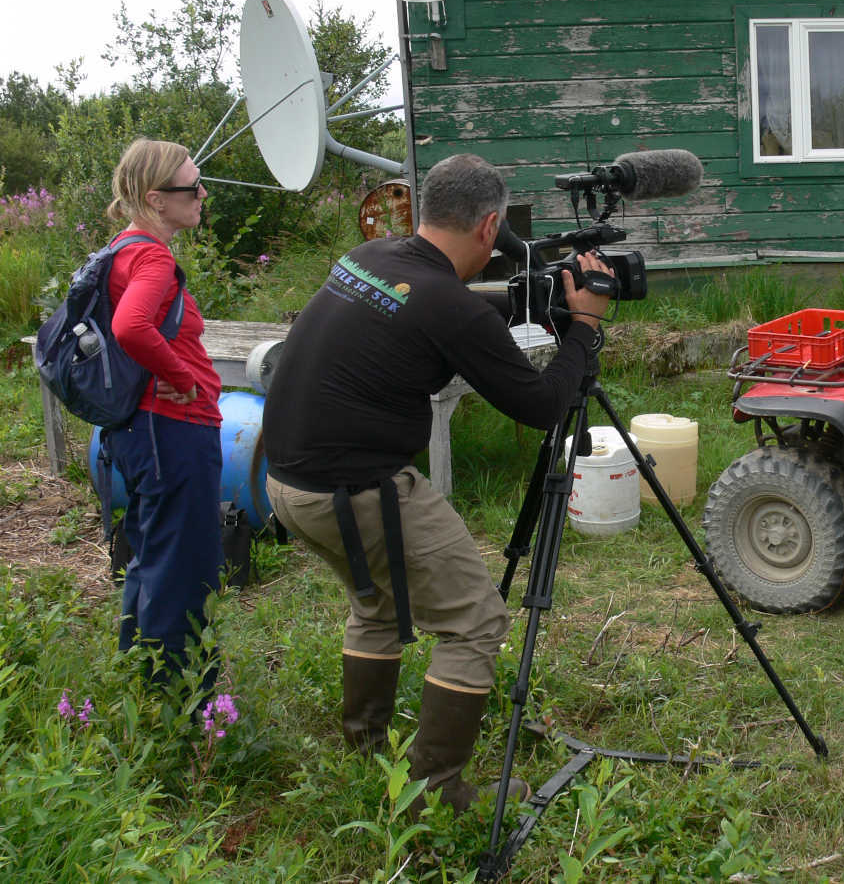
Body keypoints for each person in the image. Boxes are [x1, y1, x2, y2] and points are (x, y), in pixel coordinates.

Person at [263, 153, 612, 815]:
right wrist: (585, 327)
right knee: (475, 620)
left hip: (286, 484)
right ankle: (436, 792)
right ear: (489, 225)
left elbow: (432, 325)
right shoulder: (450, 305)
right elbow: (542, 406)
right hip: (357, 489)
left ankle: (368, 749)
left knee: (379, 606)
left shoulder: (371, 257)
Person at [104, 138, 224, 686]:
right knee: (185, 566)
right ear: (156, 199)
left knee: (153, 552)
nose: (202, 193)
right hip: (171, 430)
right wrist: (182, 378)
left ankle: (142, 682)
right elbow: (130, 327)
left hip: (139, 429)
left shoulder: (121, 248)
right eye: (191, 186)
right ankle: (182, 704)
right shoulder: (151, 256)